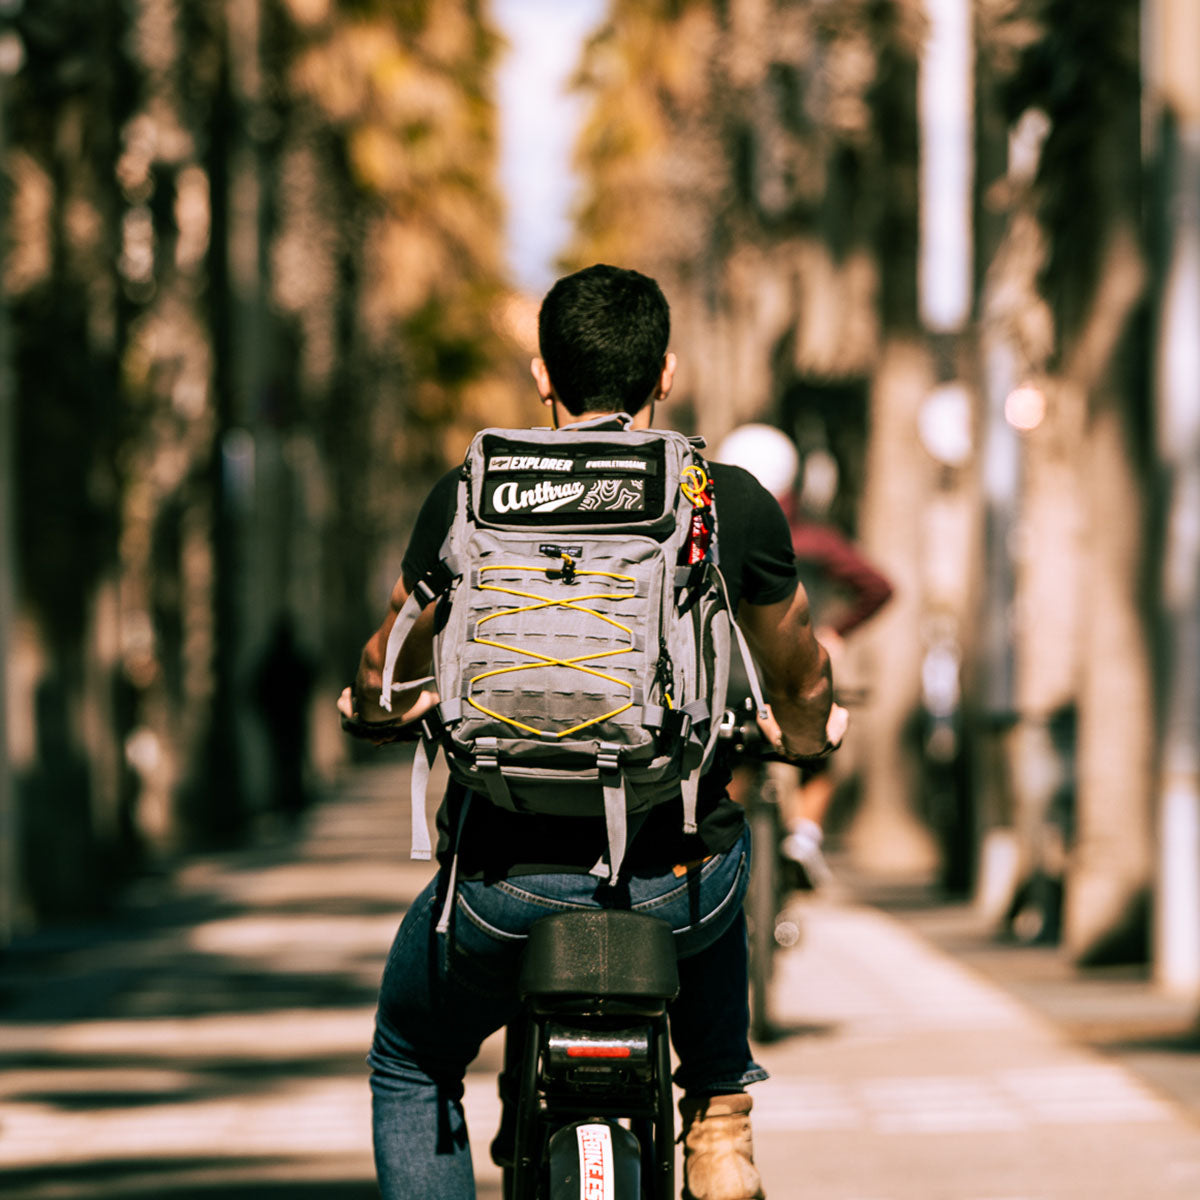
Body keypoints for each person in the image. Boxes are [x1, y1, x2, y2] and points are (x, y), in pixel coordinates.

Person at [338, 265, 847, 1200]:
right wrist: (806, 736)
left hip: (501, 890)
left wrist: (376, 708)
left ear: (543, 376)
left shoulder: (473, 491)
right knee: (714, 842)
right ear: (666, 374)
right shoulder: (723, 499)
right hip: (673, 894)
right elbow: (802, 671)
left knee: (412, 1058)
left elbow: (385, 662)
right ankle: (722, 1117)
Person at [714, 425, 892, 888]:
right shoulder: (815, 539)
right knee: (819, 750)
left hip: (725, 679)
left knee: (731, 765)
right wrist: (835, 631)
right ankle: (805, 838)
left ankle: (729, 853)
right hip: (791, 673)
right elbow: (878, 586)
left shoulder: (711, 533)